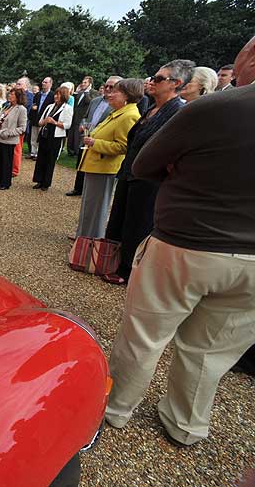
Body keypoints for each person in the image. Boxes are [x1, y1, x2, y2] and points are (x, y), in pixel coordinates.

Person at [104, 35, 255, 447]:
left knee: (146, 333)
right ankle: (186, 423)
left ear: (251, 55)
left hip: (187, 242)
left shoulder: (216, 107)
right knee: (212, 350)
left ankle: (116, 407)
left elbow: (145, 162)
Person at [103, 61, 193, 285]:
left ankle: (128, 270)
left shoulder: (177, 112)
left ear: (176, 84)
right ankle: (112, 259)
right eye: (153, 77)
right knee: (120, 219)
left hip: (149, 180)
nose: (152, 82)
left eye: (159, 79)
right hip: (130, 173)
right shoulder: (150, 108)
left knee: (138, 223)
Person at [73, 78, 142, 238]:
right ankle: (82, 239)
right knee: (89, 207)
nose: (109, 94)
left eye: (115, 91)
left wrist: (95, 143)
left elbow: (123, 146)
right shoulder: (118, 113)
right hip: (96, 166)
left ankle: (90, 244)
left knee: (96, 210)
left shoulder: (129, 116)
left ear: (127, 95)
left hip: (104, 168)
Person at [66, 76, 121, 197]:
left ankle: (89, 191)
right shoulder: (95, 101)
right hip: (86, 137)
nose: (107, 89)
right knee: (81, 163)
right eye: (106, 86)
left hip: (100, 142)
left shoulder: (117, 106)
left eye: (111, 87)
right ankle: (78, 188)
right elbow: (85, 117)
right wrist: (82, 125)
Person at [32, 86, 73, 191]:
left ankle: (46, 183)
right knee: (41, 158)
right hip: (44, 135)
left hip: (55, 137)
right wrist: (45, 121)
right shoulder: (50, 106)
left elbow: (67, 125)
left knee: (50, 160)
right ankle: (39, 180)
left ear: (63, 96)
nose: (56, 96)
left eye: (58, 95)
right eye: (55, 94)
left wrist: (54, 122)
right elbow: (40, 121)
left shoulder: (67, 108)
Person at [0, 87, 28, 190]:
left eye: (12, 94)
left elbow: (22, 128)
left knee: (7, 162)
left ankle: (5, 183)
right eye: (10, 94)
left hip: (9, 139)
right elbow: (2, 118)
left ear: (18, 97)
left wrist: (8, 133)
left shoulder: (21, 109)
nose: (10, 96)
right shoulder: (7, 106)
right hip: (0, 137)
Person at [68, 76, 99, 156]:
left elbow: (89, 101)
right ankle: (70, 151)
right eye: (82, 82)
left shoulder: (94, 92)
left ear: (90, 84)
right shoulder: (81, 92)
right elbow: (75, 103)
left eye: (85, 82)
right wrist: (76, 93)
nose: (83, 84)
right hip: (75, 116)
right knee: (72, 134)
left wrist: (87, 92)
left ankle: (77, 152)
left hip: (83, 117)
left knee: (78, 135)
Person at [28, 77, 54, 161]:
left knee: (40, 137)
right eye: (43, 82)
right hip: (35, 118)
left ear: (50, 84)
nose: (43, 83)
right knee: (33, 137)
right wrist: (33, 108)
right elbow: (34, 104)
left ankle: (39, 153)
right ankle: (33, 152)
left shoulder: (52, 95)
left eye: (46, 82)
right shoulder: (38, 94)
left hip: (44, 119)